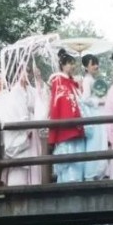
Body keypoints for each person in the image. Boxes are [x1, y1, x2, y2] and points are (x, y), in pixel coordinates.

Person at [48, 50, 87, 182]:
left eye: (74, 64)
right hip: (65, 123)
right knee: (67, 157)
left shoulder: (73, 82)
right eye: (70, 64)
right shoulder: (58, 80)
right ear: (63, 65)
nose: (73, 66)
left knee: (78, 156)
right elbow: (58, 103)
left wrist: (79, 87)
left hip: (75, 121)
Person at [79, 53, 109, 180]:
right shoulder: (87, 80)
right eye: (93, 64)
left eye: (96, 63)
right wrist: (100, 101)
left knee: (101, 141)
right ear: (86, 67)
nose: (96, 66)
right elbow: (84, 99)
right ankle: (92, 173)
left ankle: (100, 172)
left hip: (99, 112)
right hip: (94, 113)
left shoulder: (92, 80)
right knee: (95, 143)